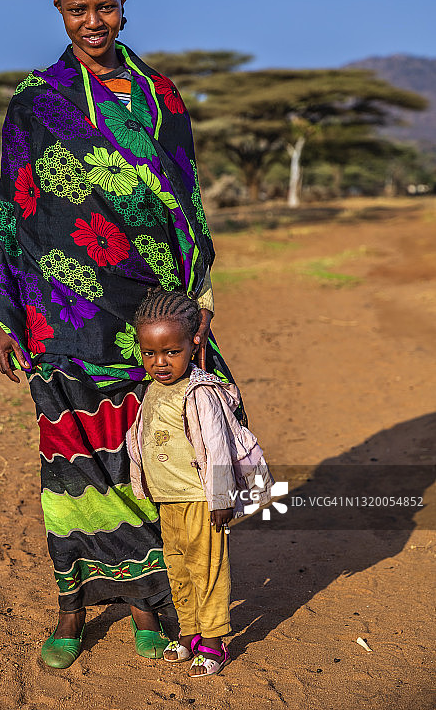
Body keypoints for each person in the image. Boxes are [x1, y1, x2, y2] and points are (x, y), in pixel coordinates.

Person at [0, 0, 238, 669]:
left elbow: (186, 202)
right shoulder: (37, 102)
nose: (93, 21)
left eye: (105, 6)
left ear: (124, 4)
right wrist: (6, 310)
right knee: (70, 470)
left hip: (150, 317)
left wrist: (199, 298)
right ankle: (71, 608)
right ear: (57, 9)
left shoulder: (162, 99)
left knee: (143, 467)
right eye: (77, 8)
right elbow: (15, 210)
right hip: (60, 316)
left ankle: (146, 604)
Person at [127, 288, 273, 677]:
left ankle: (213, 641)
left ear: (193, 344)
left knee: (207, 569)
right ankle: (188, 632)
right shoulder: (153, 389)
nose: (159, 363)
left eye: (171, 352)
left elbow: (219, 448)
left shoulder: (200, 392)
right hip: (169, 502)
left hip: (201, 501)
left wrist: (222, 497)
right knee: (178, 567)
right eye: (150, 353)